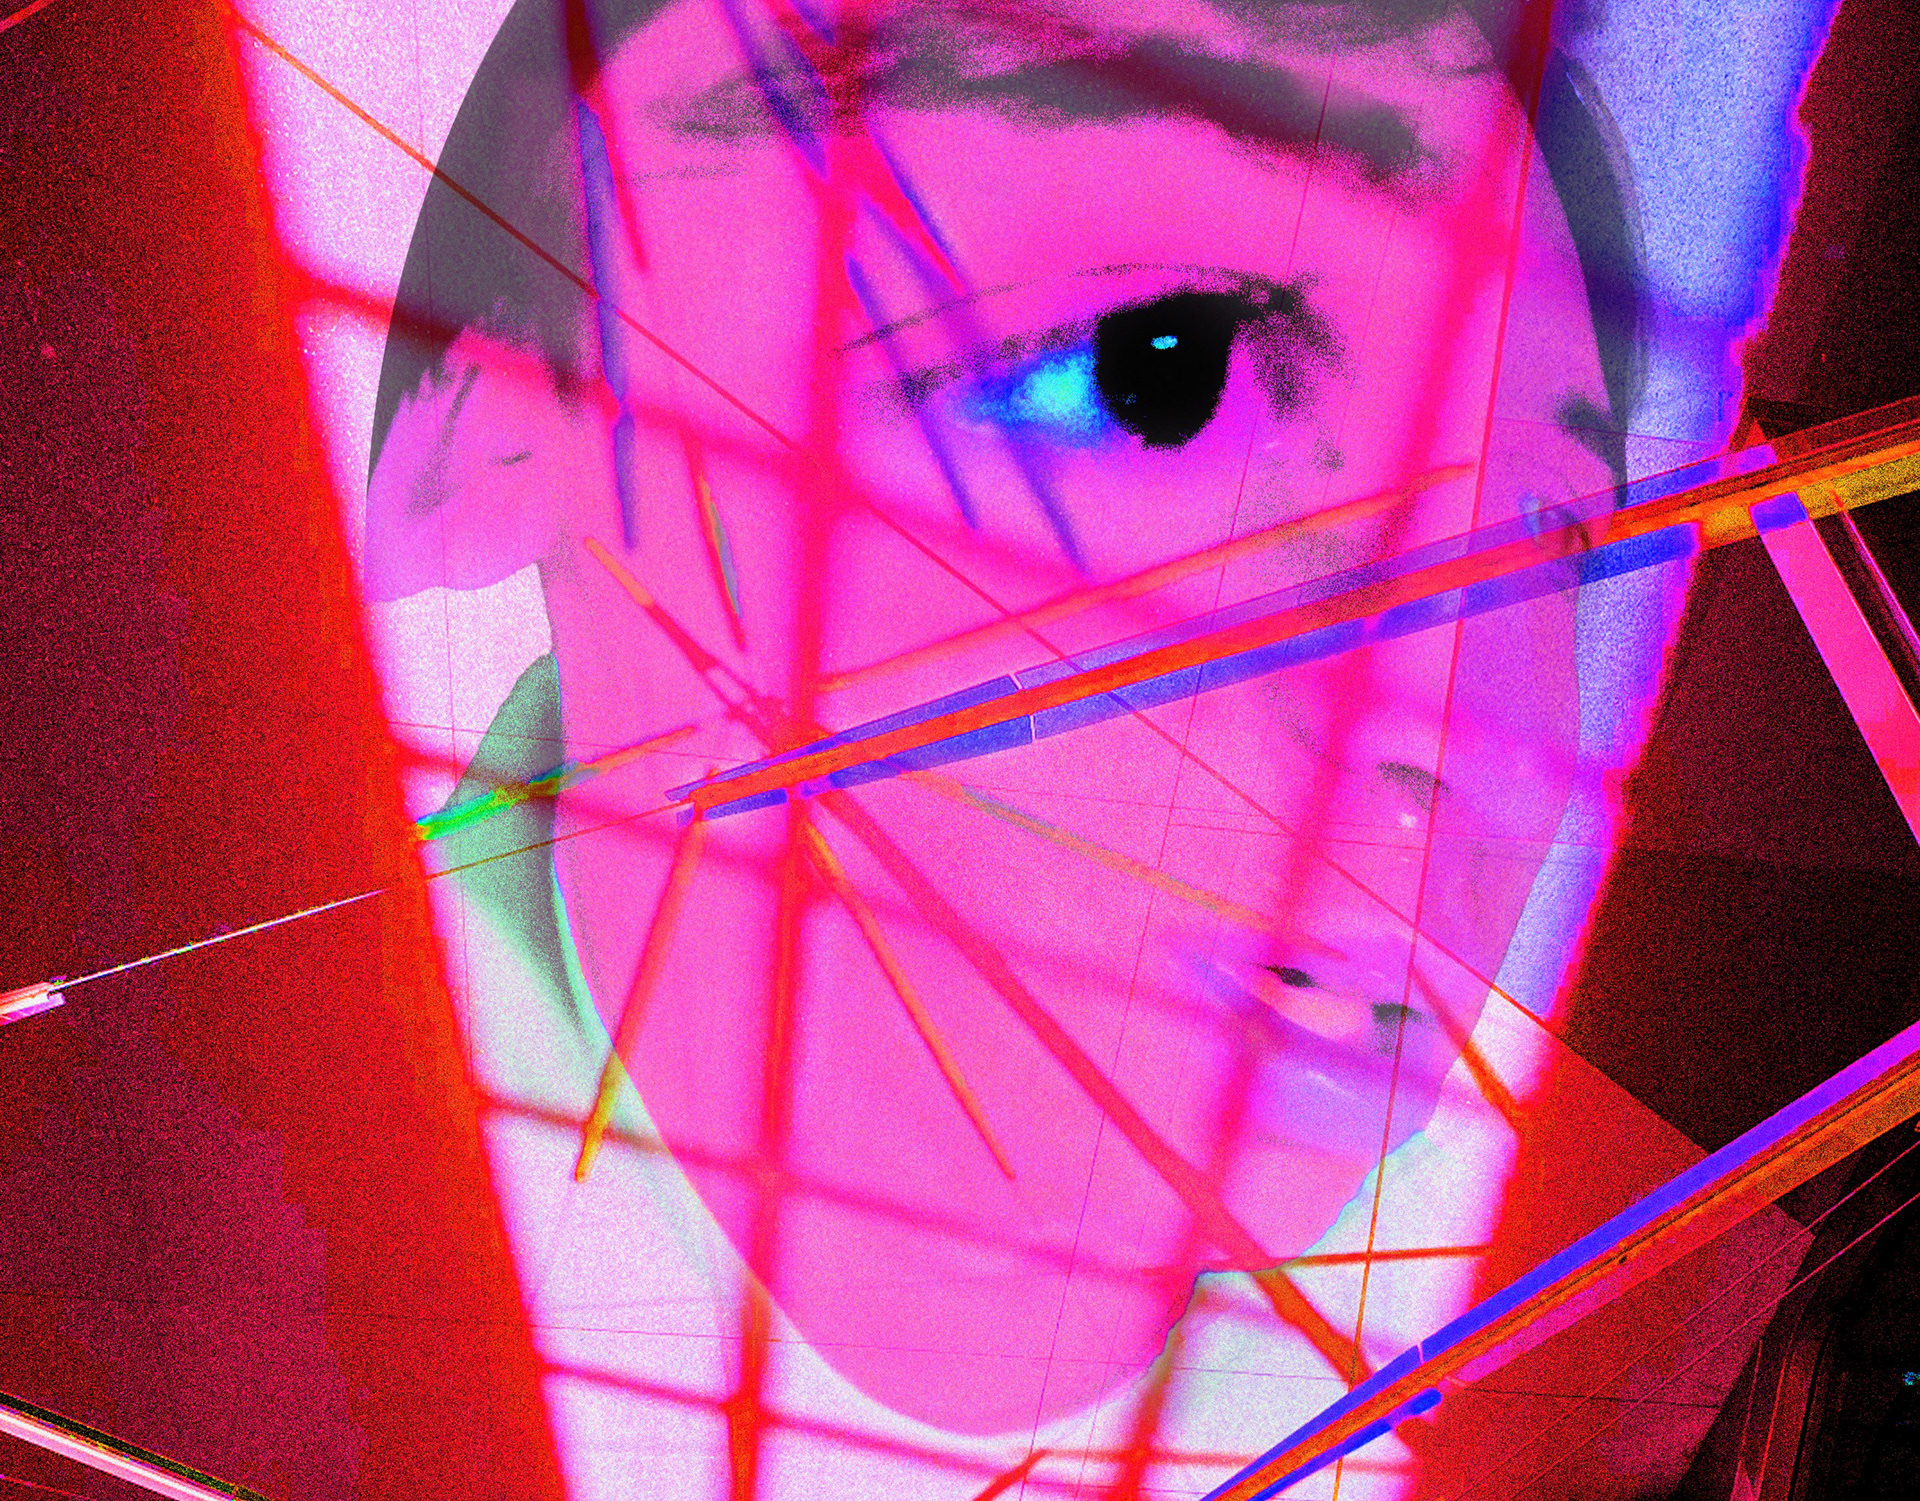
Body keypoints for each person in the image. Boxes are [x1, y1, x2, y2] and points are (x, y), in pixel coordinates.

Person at [348, 0, 1830, 1491]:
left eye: (1557, 534)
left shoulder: (1645, 1359)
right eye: (1156, 376)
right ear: (487, 435)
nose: (1497, 752)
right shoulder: (278, 1215)